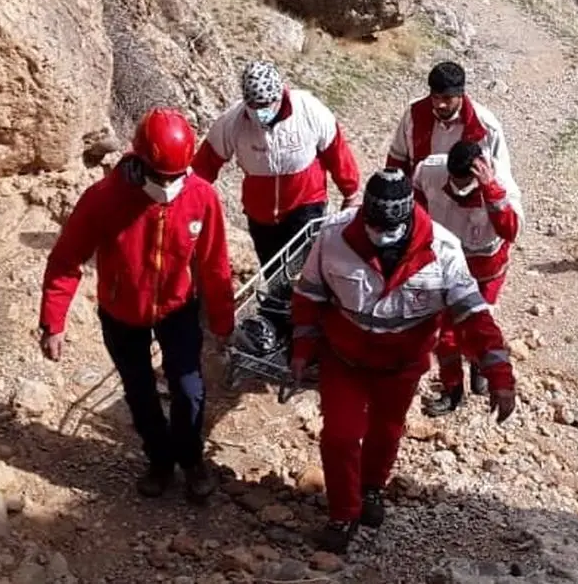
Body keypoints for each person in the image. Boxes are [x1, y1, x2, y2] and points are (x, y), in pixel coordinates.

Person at [289, 168, 517, 553]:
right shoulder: (334, 236)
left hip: (401, 367)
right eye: (374, 226)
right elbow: (309, 295)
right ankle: (343, 514)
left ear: (408, 216)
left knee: (387, 430)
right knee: (340, 435)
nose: (381, 235)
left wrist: (499, 375)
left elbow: (474, 318)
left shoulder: (443, 251)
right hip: (344, 361)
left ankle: (371, 487)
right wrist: (301, 350)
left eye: (389, 228)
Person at [38, 107, 236, 502]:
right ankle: (159, 461)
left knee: (188, 389)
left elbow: (214, 264)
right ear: (141, 163)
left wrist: (223, 323)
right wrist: (53, 321)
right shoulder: (104, 199)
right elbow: (66, 260)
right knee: (140, 391)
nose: (169, 185)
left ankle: (191, 460)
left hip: (177, 308)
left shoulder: (201, 197)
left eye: (177, 176)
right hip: (121, 313)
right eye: (161, 177)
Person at [192, 60, 362, 270]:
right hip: (260, 214)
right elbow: (205, 164)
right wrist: (189, 200)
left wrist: (351, 193)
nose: (260, 111)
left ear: (279, 96)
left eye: (266, 105)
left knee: (300, 272)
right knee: (273, 274)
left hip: (305, 204)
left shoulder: (309, 110)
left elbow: (336, 150)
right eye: (254, 106)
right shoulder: (233, 123)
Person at [412, 140, 524, 416]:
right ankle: (453, 390)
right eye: (454, 183)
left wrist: (491, 191)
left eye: (464, 185)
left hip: (486, 271)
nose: (458, 190)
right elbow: (417, 202)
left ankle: (479, 365)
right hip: (447, 266)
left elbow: (511, 230)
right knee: (445, 334)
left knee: (479, 325)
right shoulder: (430, 170)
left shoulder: (501, 183)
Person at [384, 61, 511, 180]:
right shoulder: (413, 115)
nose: (440, 104)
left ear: (460, 94)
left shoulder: (485, 126)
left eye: (447, 98)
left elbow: (501, 176)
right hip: (420, 193)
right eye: (435, 97)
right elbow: (397, 159)